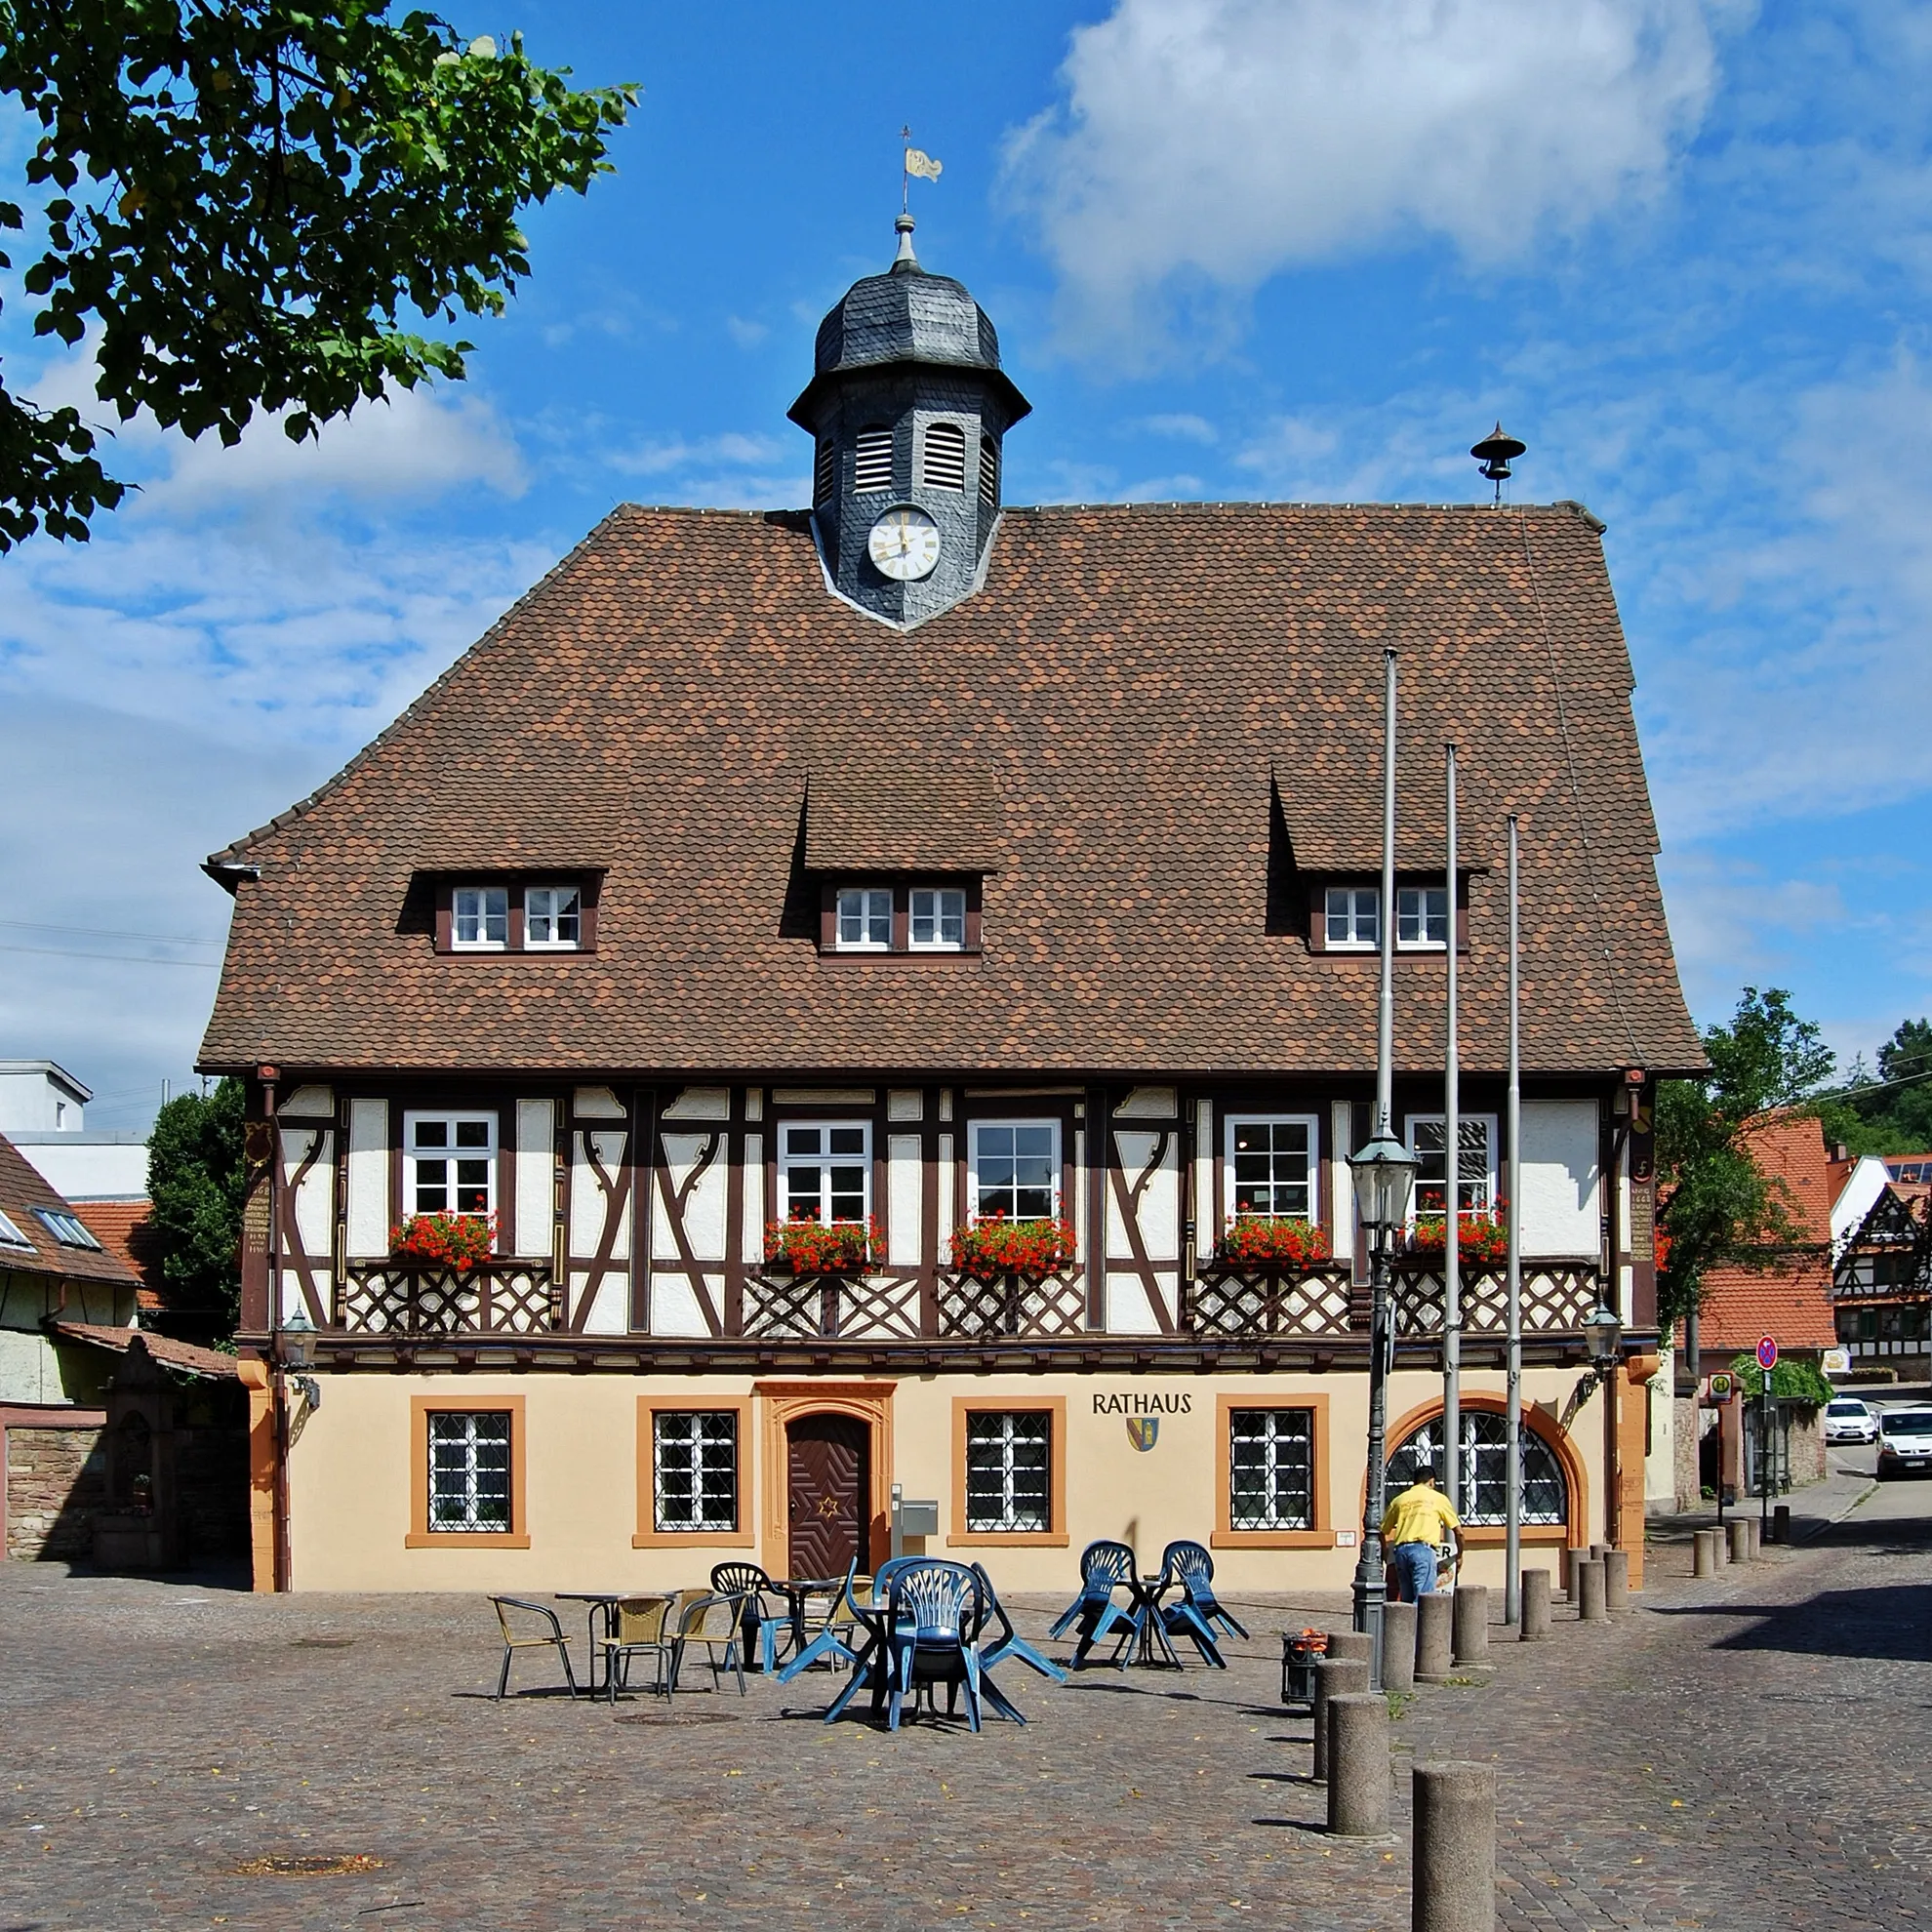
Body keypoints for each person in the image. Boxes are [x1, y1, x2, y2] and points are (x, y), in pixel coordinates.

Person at [1380, 1467, 1464, 1602]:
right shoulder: (1437, 1498)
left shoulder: (1399, 1500)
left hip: (1401, 1552)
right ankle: (1422, 1624)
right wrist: (1459, 1555)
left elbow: (1381, 1531)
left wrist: (1384, 1553)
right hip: (1423, 1551)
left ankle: (1406, 1623)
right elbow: (1458, 1532)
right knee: (1424, 1600)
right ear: (1431, 1482)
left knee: (1406, 1601)